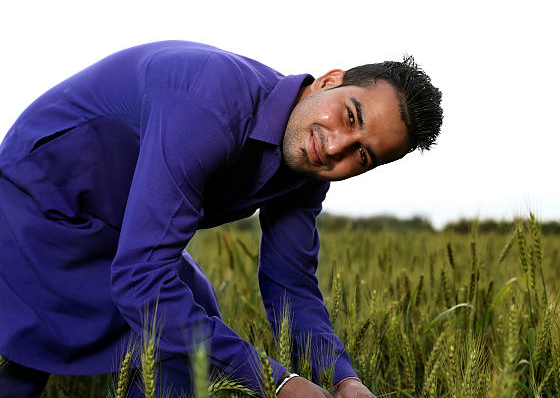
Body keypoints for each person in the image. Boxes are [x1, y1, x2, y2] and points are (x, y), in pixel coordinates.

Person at [0, 40, 442, 397]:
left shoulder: (307, 167)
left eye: (362, 154)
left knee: (187, 330)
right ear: (329, 80)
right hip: (37, 206)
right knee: (17, 357)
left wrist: (345, 379)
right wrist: (280, 383)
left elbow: (290, 287)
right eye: (350, 115)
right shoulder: (210, 102)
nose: (335, 147)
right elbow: (142, 281)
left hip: (118, 228)